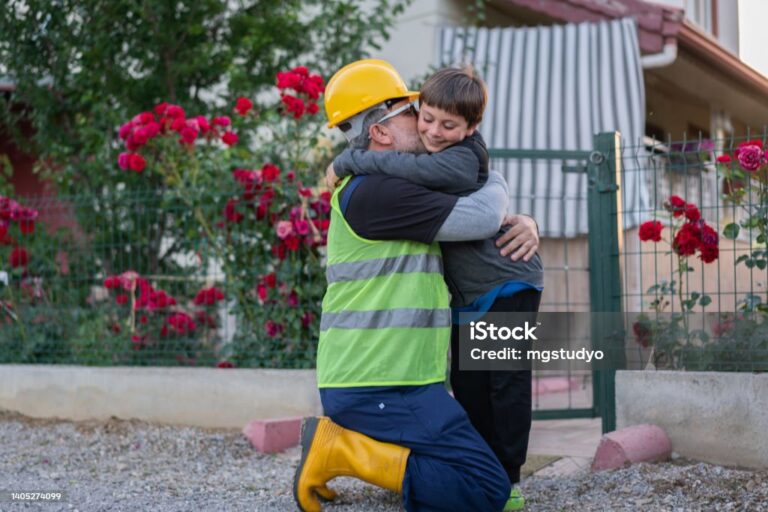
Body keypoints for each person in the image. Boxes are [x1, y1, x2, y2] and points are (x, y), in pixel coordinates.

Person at [293, 59, 540, 512]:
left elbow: (471, 201)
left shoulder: (394, 183)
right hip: (378, 384)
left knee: (472, 464)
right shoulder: (378, 193)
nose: (426, 123)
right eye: (412, 112)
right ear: (381, 131)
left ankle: (356, 447)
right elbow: (482, 215)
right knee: (488, 488)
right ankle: (344, 452)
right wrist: (497, 181)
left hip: (402, 381)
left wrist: (526, 221)